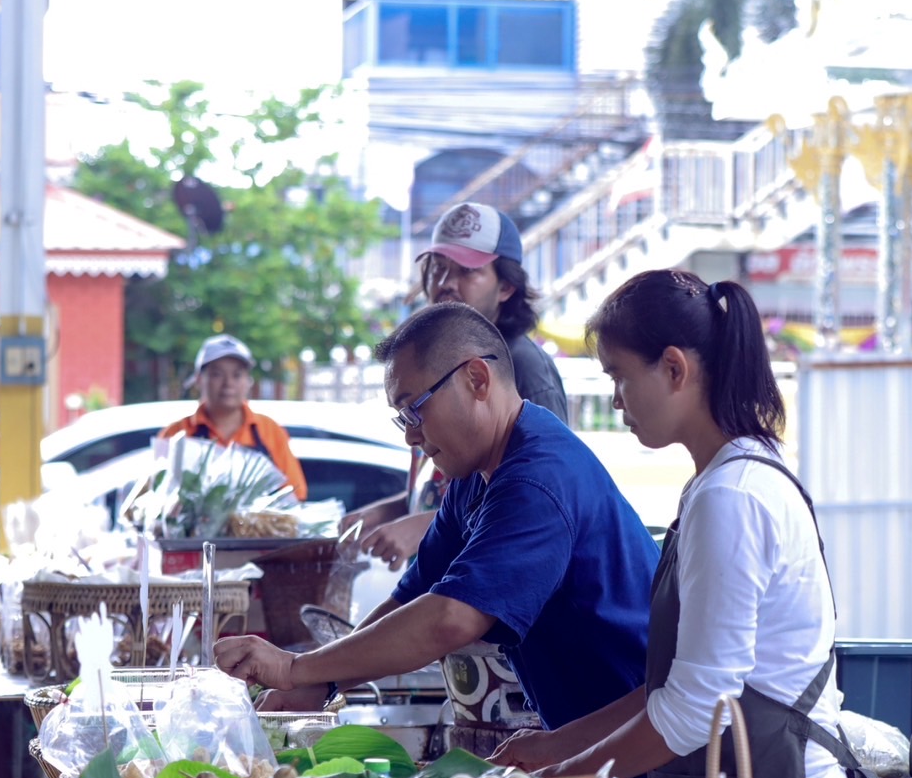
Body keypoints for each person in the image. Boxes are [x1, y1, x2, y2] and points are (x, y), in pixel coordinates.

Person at [491, 269, 866, 778]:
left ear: (674, 368)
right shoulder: (727, 479)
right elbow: (675, 687)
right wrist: (553, 746)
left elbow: (692, 710)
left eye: (620, 376)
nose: (616, 398)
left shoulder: (734, 497)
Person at [215, 301, 656, 735]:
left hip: (643, 743)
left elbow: (451, 618)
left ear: (476, 379)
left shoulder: (537, 477)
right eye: (401, 418)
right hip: (592, 735)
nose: (410, 433)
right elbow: (414, 597)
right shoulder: (477, 472)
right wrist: (319, 681)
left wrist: (295, 668)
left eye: (414, 408)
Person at [341, 202, 567, 571]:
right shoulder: (435, 362)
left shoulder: (523, 369)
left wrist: (424, 527)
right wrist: (388, 510)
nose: (445, 282)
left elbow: (539, 504)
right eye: (438, 268)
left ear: (507, 286)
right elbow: (445, 487)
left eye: (467, 271)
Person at [160, 333, 308, 500]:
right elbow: (158, 494)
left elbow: (295, 492)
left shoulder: (269, 430)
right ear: (199, 380)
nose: (228, 383)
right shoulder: (176, 434)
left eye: (237, 375)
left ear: (248, 381)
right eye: (217, 374)